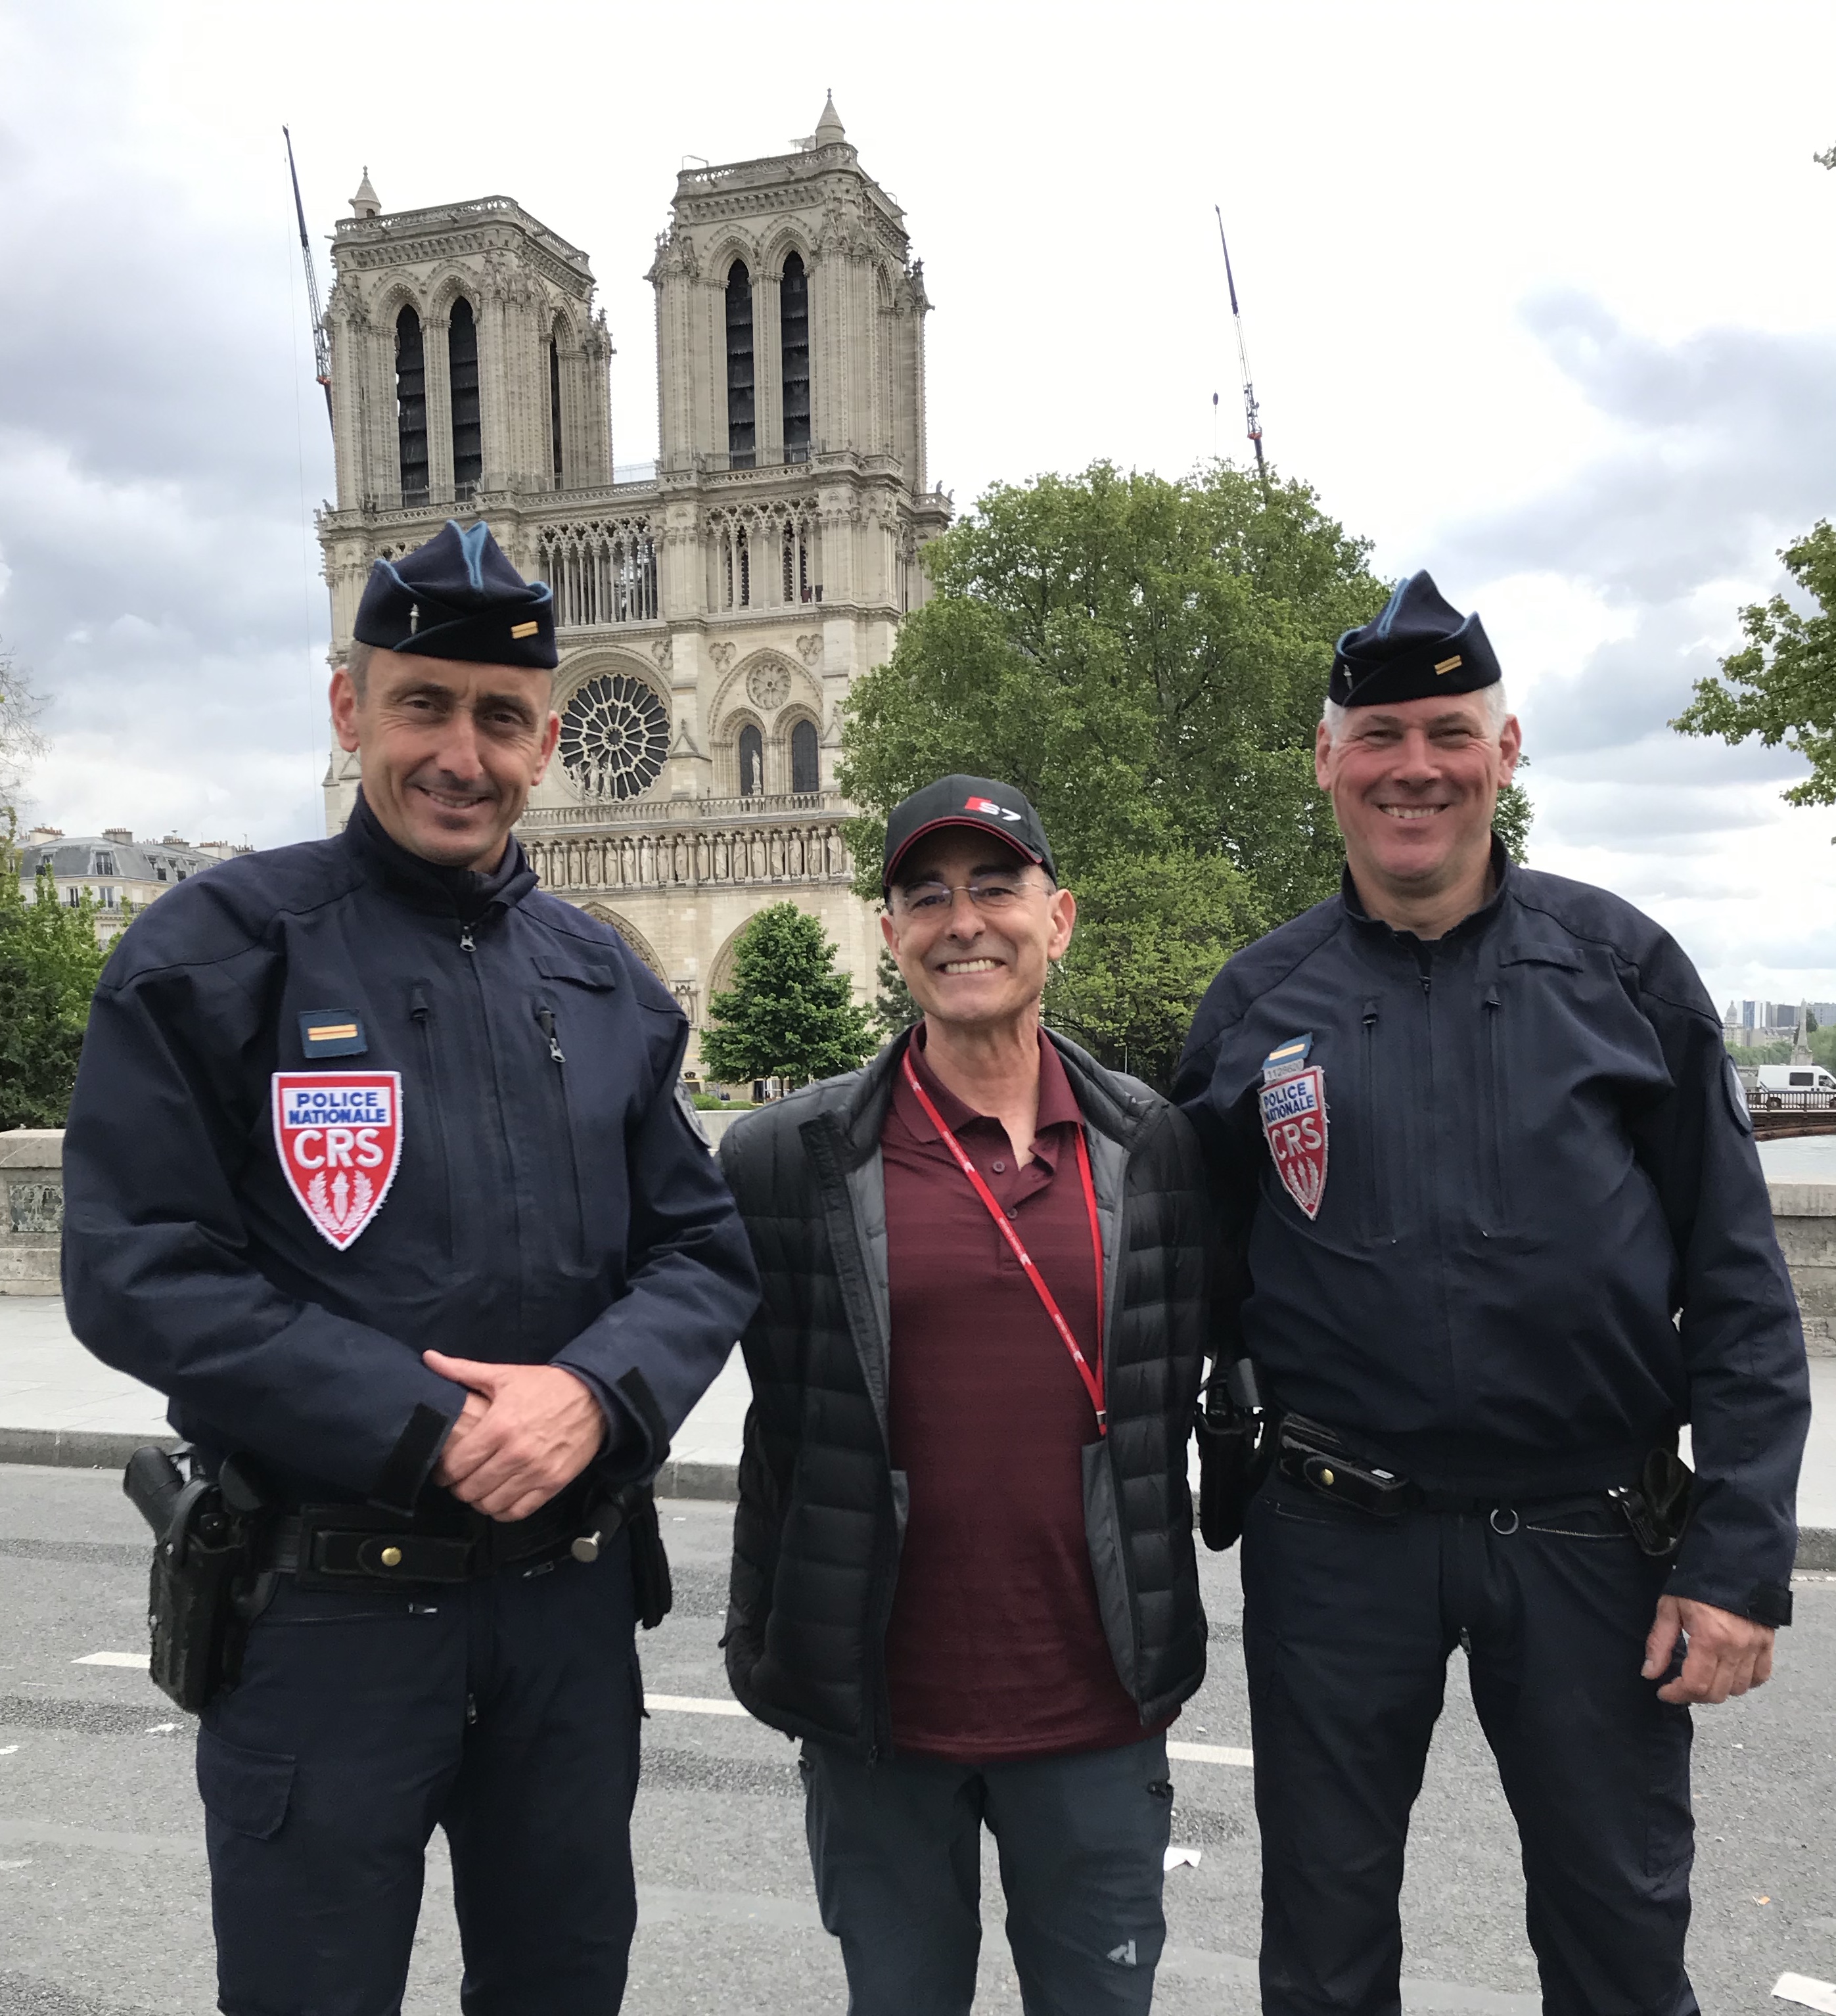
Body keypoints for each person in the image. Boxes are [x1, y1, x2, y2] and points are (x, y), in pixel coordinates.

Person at [61, 520, 760, 2015]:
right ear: (347, 708)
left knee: (562, 1986)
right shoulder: (217, 952)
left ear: (547, 740)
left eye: (499, 717)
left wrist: (595, 1393)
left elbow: (699, 1245)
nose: (461, 752)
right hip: (325, 1617)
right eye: (421, 705)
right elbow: (135, 1268)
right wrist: (419, 1418)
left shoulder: (602, 978)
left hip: (565, 1616)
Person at [1174, 571, 1811, 2016]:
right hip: (1331, 1541)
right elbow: (1182, 1295)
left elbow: (1734, 1290)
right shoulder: (1252, 1006)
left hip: (1591, 1542)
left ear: (1504, 752)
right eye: (1380, 733)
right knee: (1323, 1949)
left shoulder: (1622, 974)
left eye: (1448, 732)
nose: (1416, 767)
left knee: (1616, 1936)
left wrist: (1733, 1559)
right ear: (1326, 759)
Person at [717, 775, 1210, 2015]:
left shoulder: (1154, 1149)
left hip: (1098, 1703)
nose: (962, 921)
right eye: (925, 896)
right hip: (876, 1709)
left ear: (1060, 919)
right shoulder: (784, 1158)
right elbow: (756, 1406)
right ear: (889, 936)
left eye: (997, 887)